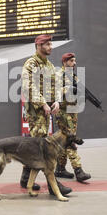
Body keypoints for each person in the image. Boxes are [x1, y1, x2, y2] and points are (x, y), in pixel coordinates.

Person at [21, 34, 72, 196]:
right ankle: (53, 185)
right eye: (48, 44)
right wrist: (43, 103)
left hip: (48, 110)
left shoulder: (49, 65)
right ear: (39, 45)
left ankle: (25, 178)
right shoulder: (31, 63)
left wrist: (57, 101)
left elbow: (56, 86)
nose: (51, 47)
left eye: (51, 44)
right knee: (42, 147)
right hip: (36, 111)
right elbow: (28, 86)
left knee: (36, 145)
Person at [55, 53, 91, 182]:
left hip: (73, 112)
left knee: (65, 141)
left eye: (75, 61)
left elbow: (79, 91)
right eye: (71, 61)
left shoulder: (74, 76)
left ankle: (59, 169)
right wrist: (71, 90)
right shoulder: (59, 75)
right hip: (64, 113)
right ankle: (78, 170)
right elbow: (56, 93)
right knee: (70, 140)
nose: (74, 63)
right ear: (64, 62)